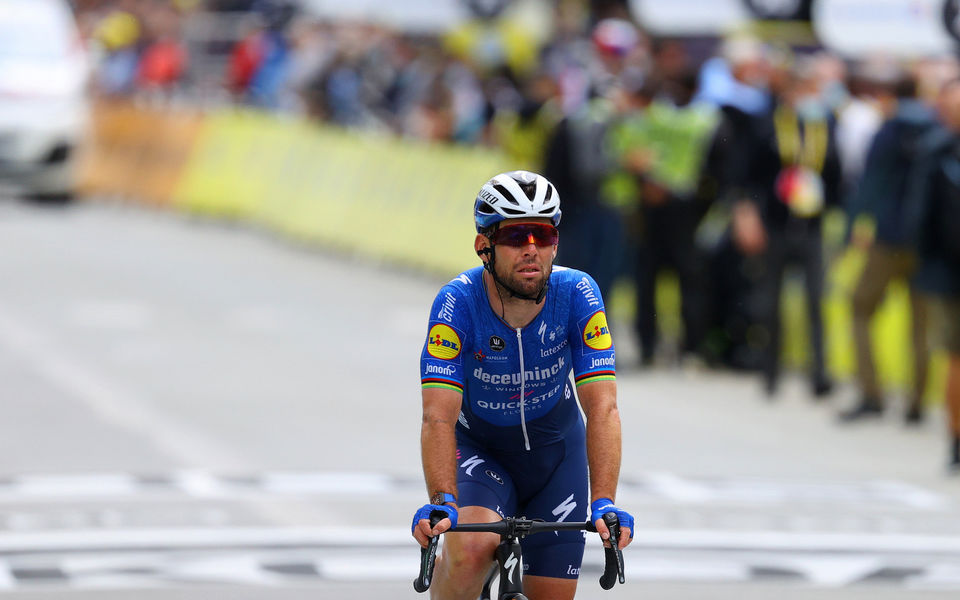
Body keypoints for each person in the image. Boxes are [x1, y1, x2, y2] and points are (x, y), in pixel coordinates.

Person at [412, 171, 635, 599]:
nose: (532, 249)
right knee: (472, 549)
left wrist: (604, 501)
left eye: (543, 234)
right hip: (482, 452)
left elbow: (603, 407)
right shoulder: (457, 303)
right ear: (484, 246)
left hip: (556, 456)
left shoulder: (579, 294)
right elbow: (437, 416)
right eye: (516, 235)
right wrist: (442, 498)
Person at [840, 74, 935, 423]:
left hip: (888, 240)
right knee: (919, 325)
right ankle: (917, 402)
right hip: (924, 244)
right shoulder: (936, 132)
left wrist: (850, 231)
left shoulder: (888, 132)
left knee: (860, 309)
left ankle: (871, 393)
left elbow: (870, 185)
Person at [905, 79, 960, 471]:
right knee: (957, 357)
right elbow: (919, 215)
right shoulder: (935, 150)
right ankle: (957, 437)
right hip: (948, 269)